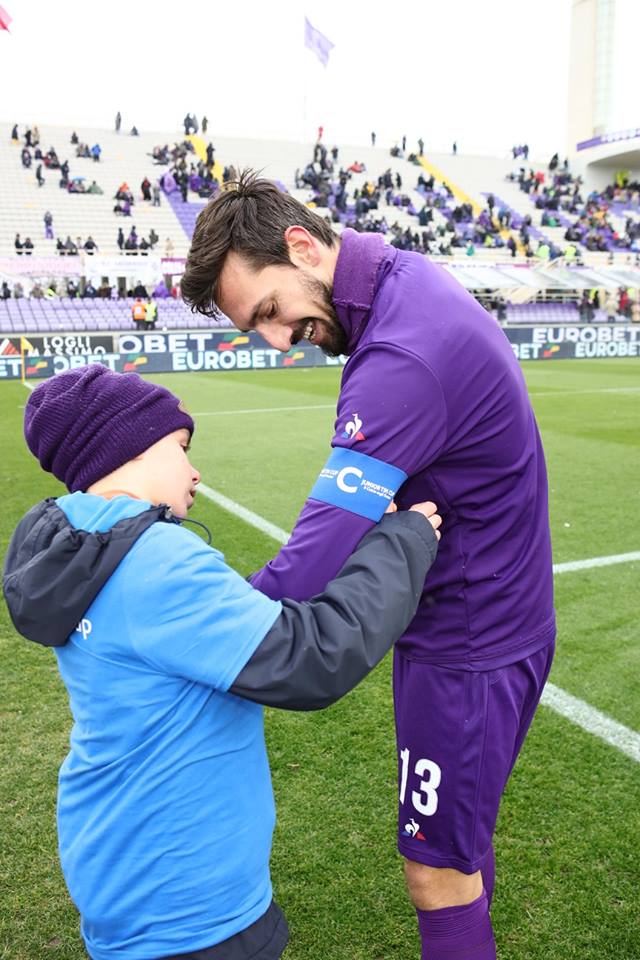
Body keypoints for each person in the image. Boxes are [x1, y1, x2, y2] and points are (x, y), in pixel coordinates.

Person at [180, 171, 556, 960]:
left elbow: (316, 559)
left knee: (436, 872)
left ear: (303, 245)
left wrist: (200, 641)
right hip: (485, 620)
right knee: (458, 848)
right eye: (259, 328)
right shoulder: (400, 283)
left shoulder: (402, 353)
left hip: (470, 641)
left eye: (271, 313)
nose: (279, 341)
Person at [3, 365, 442, 960]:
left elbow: (224, 626)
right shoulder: (156, 560)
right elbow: (311, 657)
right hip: (186, 901)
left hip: (122, 864)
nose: (194, 470)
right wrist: (403, 540)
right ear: (127, 452)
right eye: (180, 448)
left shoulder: (85, 548)